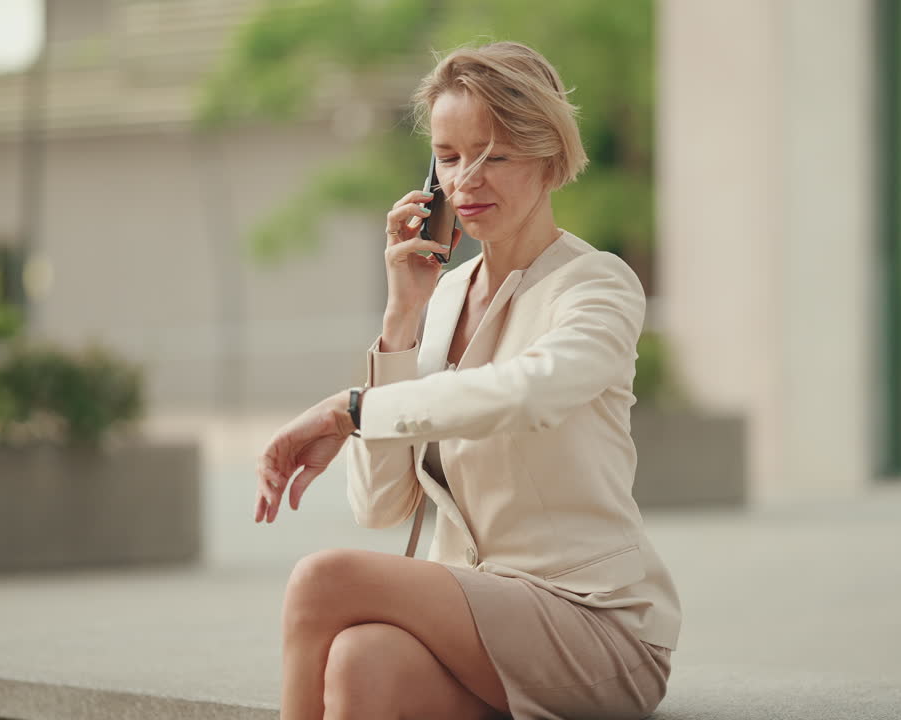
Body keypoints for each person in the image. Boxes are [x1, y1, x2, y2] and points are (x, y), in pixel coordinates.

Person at [255, 40, 681, 720]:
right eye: (449, 158)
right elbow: (380, 507)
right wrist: (400, 322)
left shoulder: (597, 286)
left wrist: (349, 410)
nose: (465, 182)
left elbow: (527, 392)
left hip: (594, 625)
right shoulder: (447, 298)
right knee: (361, 660)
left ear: (549, 160)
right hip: (480, 619)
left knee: (321, 581)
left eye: (494, 156)